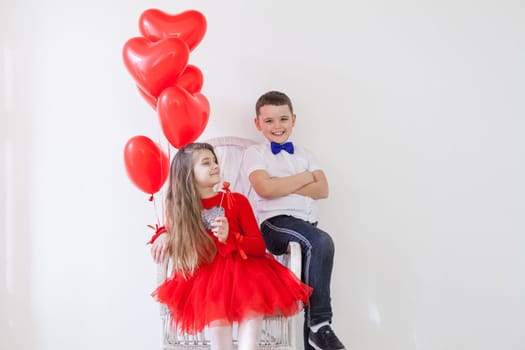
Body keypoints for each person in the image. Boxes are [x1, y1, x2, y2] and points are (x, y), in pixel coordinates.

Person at [149, 142, 312, 350]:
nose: (215, 165)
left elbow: (259, 246)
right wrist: (163, 234)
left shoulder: (237, 201)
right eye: (206, 163)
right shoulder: (180, 211)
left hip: (247, 274)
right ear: (188, 174)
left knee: (252, 317)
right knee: (218, 324)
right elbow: (173, 232)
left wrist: (232, 237)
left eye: (214, 160)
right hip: (206, 279)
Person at [242, 91, 346, 350]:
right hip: (275, 224)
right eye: (269, 121)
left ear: (294, 119)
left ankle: (314, 334)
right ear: (257, 124)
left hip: (306, 227)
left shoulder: (306, 154)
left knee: (312, 269)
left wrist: (280, 184)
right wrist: (304, 178)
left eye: (283, 119)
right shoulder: (255, 153)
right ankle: (321, 324)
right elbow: (265, 190)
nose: (277, 127)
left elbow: (323, 190)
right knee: (322, 242)